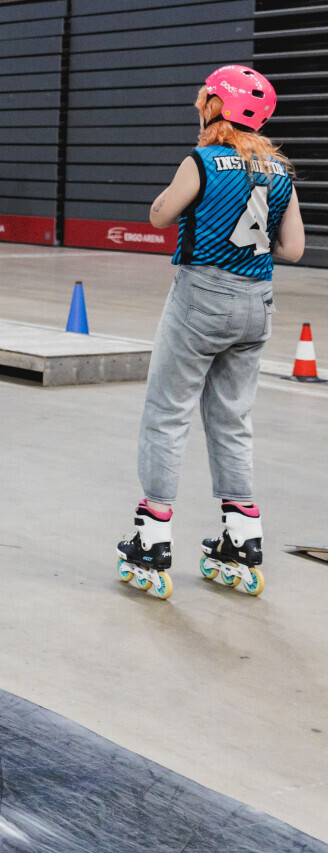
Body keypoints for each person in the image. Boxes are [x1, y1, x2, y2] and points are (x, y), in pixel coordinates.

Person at [117, 65, 303, 601]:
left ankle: (151, 540)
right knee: (232, 420)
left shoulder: (201, 160)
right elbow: (292, 249)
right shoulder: (279, 170)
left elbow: (160, 216)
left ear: (217, 107)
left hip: (201, 298)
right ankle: (240, 539)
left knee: (167, 413)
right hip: (256, 305)